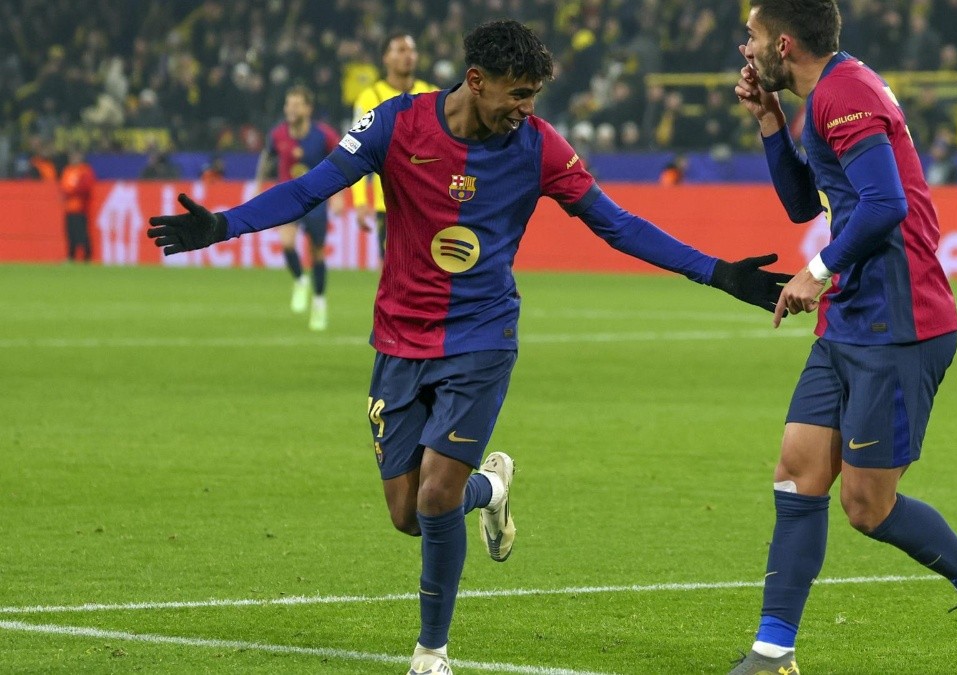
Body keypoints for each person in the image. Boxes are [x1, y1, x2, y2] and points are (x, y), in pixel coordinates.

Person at [147, 20, 788, 675]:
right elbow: (312, 188)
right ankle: (492, 487)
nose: (527, 107)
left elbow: (616, 225)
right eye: (517, 93)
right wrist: (224, 224)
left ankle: (432, 651)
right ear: (475, 80)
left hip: (482, 340)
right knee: (407, 513)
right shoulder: (395, 124)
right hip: (399, 339)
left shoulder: (539, 148)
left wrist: (719, 272)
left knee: (433, 497)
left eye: (534, 94)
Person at [728, 2, 957, 673]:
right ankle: (774, 653)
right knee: (798, 476)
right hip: (850, 320)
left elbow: (886, 205)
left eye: (755, 36)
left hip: (899, 324)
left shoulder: (845, 93)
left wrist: (817, 271)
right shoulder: (821, 94)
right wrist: (770, 123)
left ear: (784, 42)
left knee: (866, 506)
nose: (746, 47)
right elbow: (807, 204)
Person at [254, 84, 342, 331]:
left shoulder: (323, 135)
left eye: (296, 104)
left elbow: (342, 159)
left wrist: (338, 194)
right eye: (288, 104)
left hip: (315, 199)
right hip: (288, 198)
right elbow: (267, 156)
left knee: (317, 254)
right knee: (287, 243)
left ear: (308, 108)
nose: (290, 109)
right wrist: (259, 184)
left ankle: (320, 303)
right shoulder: (278, 134)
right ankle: (300, 280)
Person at [351, 32, 439, 259]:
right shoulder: (370, 97)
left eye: (411, 50)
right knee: (394, 275)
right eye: (400, 50)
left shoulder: (432, 93)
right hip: (390, 205)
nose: (408, 56)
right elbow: (355, 151)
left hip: (428, 202)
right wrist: (360, 202)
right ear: (385, 58)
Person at [60, 148, 96, 262]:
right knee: (70, 233)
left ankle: (87, 255)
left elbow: (85, 187)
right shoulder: (67, 170)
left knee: (82, 233)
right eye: (72, 156)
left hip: (80, 207)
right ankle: (71, 256)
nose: (73, 159)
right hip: (69, 208)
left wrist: (71, 192)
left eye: (76, 156)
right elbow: (64, 186)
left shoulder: (85, 170)